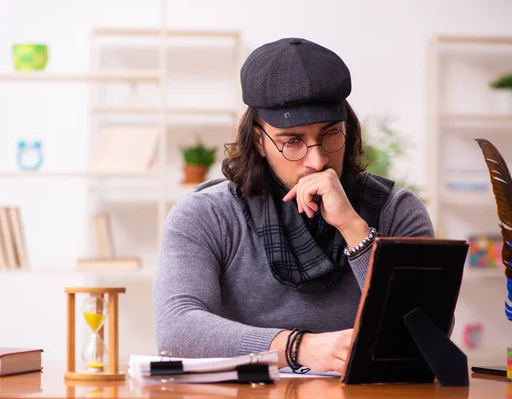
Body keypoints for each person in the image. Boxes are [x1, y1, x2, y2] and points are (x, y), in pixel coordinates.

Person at [152, 38, 434, 374]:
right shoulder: (206, 215)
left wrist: (353, 229)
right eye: (293, 141)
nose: (317, 161)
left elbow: (428, 333)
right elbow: (176, 329)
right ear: (259, 140)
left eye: (331, 134)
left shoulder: (397, 211)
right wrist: (297, 347)